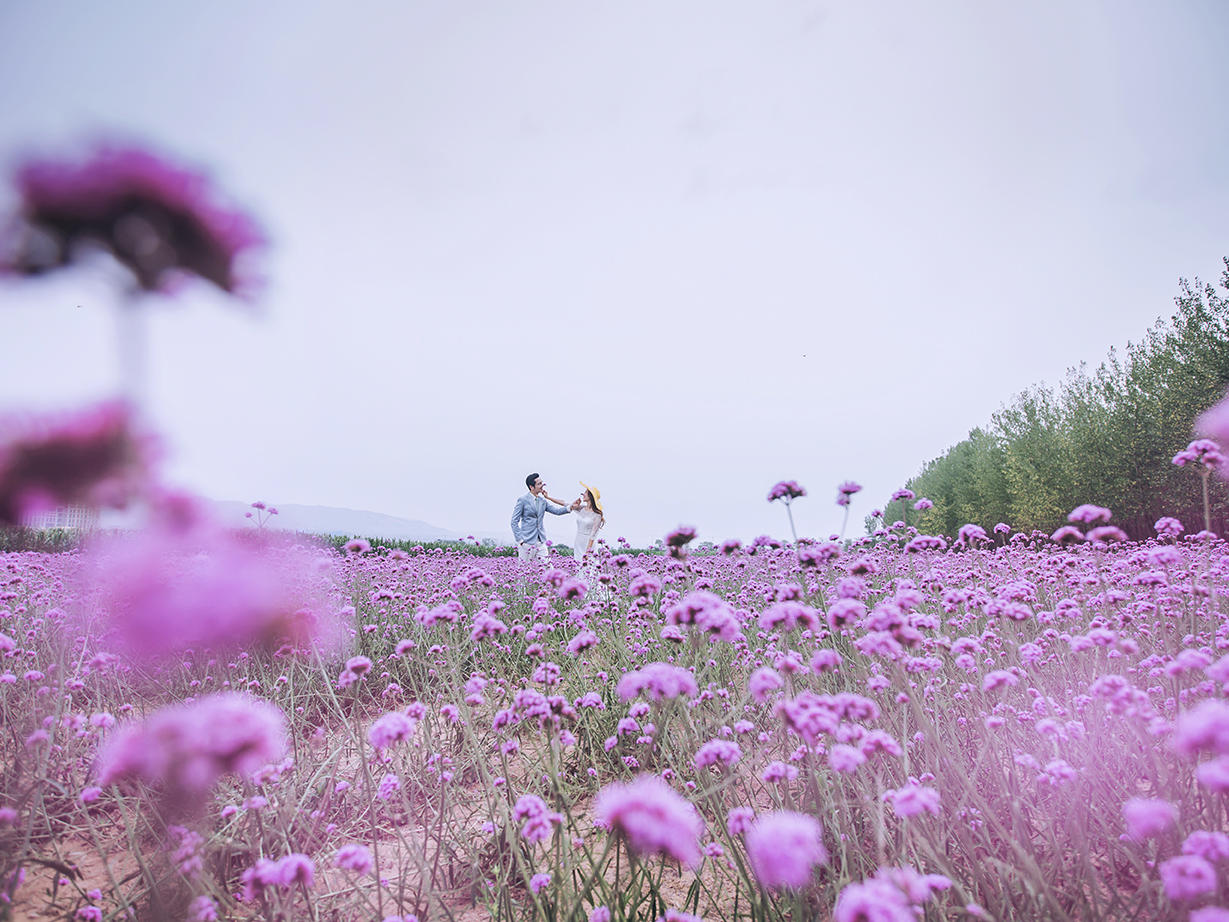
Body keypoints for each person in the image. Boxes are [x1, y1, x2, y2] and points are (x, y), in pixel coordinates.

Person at [511, 472, 571, 560]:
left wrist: (570, 507)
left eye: (542, 483)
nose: (542, 485)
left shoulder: (542, 501)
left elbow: (556, 511)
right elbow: (514, 521)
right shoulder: (522, 500)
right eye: (539, 484)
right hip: (526, 542)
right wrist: (520, 540)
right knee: (524, 569)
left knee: (547, 566)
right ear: (531, 487)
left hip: (540, 541)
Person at [569, 482, 605, 560]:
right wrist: (548, 497)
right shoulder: (581, 508)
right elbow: (565, 504)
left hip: (588, 544)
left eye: (585, 492)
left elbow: (593, 536)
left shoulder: (597, 515)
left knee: (589, 566)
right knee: (578, 566)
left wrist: (587, 552)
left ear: (591, 496)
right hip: (578, 541)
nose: (583, 494)